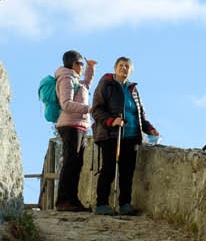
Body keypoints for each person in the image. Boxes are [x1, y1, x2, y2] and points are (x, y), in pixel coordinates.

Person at [90, 56, 158, 216]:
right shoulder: (106, 85)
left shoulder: (133, 90)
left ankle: (125, 204)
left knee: (127, 171)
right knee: (108, 169)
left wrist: (150, 129)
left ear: (131, 70)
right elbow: (96, 110)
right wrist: (112, 121)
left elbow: (140, 114)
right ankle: (101, 204)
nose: (124, 68)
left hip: (131, 135)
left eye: (127, 66)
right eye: (121, 65)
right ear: (115, 68)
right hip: (111, 134)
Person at [51, 49, 97, 212]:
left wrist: (91, 68)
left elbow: (86, 84)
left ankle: (73, 200)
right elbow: (66, 103)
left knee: (77, 164)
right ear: (73, 64)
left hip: (79, 126)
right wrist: (88, 109)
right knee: (71, 163)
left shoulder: (76, 80)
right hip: (70, 125)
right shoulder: (66, 79)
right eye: (81, 64)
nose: (82, 67)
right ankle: (63, 201)